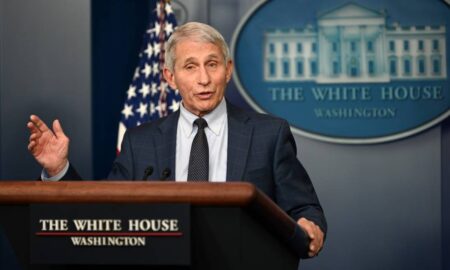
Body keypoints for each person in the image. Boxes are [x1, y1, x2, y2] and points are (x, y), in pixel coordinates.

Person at [27, 22, 326, 257]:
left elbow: (304, 209)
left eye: (212, 64)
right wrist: (59, 171)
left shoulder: (268, 134)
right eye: (190, 67)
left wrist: (309, 226)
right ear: (170, 77)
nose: (204, 79)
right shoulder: (139, 142)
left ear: (228, 69)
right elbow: (103, 218)